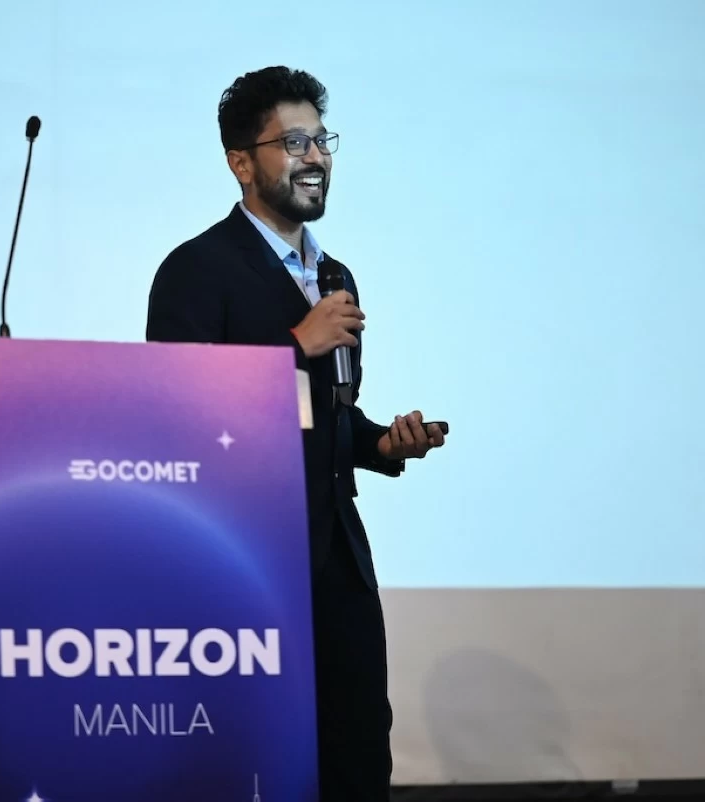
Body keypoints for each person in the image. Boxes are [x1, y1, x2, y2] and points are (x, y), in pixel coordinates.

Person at [145, 66, 445, 801]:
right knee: (252, 764)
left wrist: (380, 443)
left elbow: (324, 414)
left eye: (321, 140)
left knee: (356, 757)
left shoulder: (335, 275)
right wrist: (294, 345)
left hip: (336, 560)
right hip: (241, 567)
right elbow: (176, 418)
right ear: (241, 163)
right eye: (293, 142)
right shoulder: (194, 270)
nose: (314, 157)